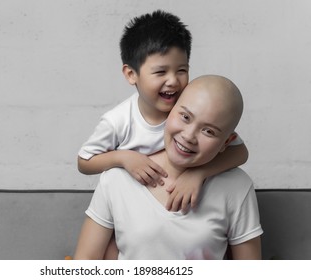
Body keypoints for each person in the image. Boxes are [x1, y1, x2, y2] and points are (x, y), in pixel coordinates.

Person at [74, 75, 263, 260]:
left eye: (209, 131)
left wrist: (197, 174)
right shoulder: (117, 178)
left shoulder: (237, 187)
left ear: (226, 142)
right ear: (170, 111)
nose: (189, 136)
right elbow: (86, 260)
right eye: (185, 117)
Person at [78, 10, 248, 213]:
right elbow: (84, 161)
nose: (173, 81)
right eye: (160, 72)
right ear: (131, 74)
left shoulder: (189, 111)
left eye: (182, 70)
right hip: (128, 207)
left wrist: (197, 174)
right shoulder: (118, 121)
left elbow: (239, 152)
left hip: (177, 205)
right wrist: (123, 157)